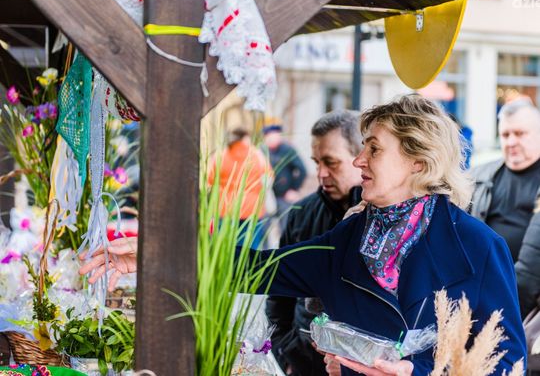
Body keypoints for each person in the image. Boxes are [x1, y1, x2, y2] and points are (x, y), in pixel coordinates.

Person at [80, 95, 526, 375]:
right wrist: (153, 254)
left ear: (419, 161)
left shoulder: (479, 247)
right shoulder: (349, 237)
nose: (359, 161)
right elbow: (253, 268)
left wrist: (417, 372)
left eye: (373, 149)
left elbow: (509, 361)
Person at [265, 110, 363, 376]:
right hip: (304, 363)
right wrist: (285, 353)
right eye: (317, 162)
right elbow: (278, 294)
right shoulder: (300, 213)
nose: (321, 173)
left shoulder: (383, 215)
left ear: (361, 158)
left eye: (331, 163)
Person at [470, 99, 540, 318]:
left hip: (529, 304)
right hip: (478, 293)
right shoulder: (479, 177)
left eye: (520, 134)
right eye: (505, 134)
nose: (511, 142)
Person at [208, 127, 272, 249]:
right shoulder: (257, 155)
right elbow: (268, 178)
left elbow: (210, 180)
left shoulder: (220, 155)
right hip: (252, 209)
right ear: (245, 138)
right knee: (251, 247)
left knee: (227, 248)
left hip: (226, 208)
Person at [263, 124, 307, 232]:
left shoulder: (287, 150)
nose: (271, 138)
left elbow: (302, 170)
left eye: (274, 135)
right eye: (268, 136)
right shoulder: (261, 151)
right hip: (266, 198)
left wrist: (294, 189)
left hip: (284, 196)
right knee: (263, 229)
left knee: (286, 229)